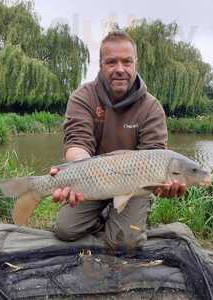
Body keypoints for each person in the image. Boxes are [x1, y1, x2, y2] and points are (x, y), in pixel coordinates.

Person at [50, 30, 186, 249]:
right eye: (112, 62)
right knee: (65, 231)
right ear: (101, 64)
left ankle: (125, 218)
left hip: (135, 186)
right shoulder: (83, 97)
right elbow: (77, 142)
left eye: (127, 61)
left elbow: (156, 157)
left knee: (125, 243)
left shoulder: (151, 108)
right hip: (93, 180)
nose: (120, 69)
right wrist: (74, 171)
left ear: (135, 64)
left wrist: (164, 185)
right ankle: (107, 213)